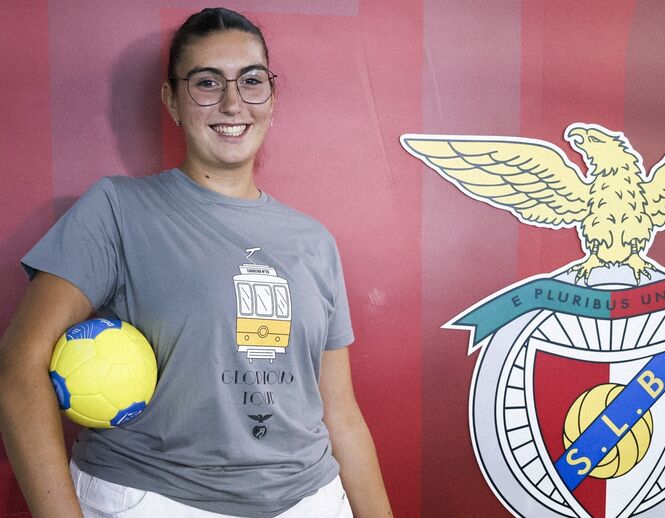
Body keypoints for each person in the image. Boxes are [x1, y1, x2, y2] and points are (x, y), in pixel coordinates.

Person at [0, 7, 392, 518]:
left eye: (252, 81)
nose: (233, 102)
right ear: (173, 101)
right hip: (155, 500)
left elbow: (340, 414)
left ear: (272, 99)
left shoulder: (314, 241)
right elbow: (19, 364)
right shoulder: (118, 209)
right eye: (207, 82)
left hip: (311, 501)